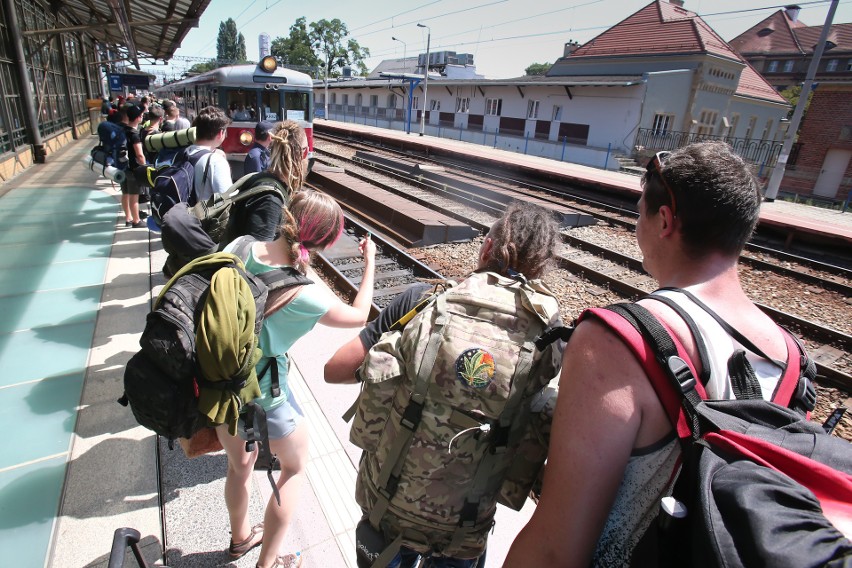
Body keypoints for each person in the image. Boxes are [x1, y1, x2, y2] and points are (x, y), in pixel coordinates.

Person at [504, 141, 790, 567]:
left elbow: (554, 549)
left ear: (665, 221)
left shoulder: (616, 341)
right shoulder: (792, 356)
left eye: (639, 213)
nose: (637, 227)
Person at [325, 202, 563, 568]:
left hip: (386, 507)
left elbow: (335, 370)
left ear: (486, 248)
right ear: (541, 266)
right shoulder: (549, 336)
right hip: (464, 527)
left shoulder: (423, 301)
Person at [217, 189, 377, 568]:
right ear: (322, 243)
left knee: (238, 466)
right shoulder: (305, 295)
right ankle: (268, 562)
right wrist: (369, 262)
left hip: (220, 385)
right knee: (294, 466)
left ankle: (240, 537)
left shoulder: (240, 246)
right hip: (261, 396)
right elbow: (359, 314)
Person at [186, 106, 232, 201]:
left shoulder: (185, 152)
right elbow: (226, 198)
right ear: (220, 133)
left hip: (180, 212)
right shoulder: (216, 161)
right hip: (203, 215)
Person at [119, 104, 147, 228]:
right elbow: (139, 155)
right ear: (137, 118)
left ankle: (128, 218)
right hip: (133, 169)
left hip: (122, 168)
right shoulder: (134, 134)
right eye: (141, 115)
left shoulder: (123, 130)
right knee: (134, 196)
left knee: (125, 193)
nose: (142, 117)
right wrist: (145, 166)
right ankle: (136, 221)